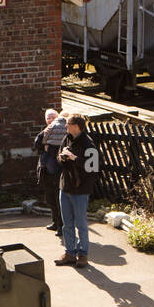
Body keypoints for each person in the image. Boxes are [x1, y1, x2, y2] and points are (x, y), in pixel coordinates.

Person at [55, 113, 99, 268]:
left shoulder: (89, 144)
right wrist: (62, 157)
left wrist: (74, 158)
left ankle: (82, 255)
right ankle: (69, 253)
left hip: (80, 190)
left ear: (76, 126)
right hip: (65, 186)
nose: (65, 127)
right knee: (67, 224)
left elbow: (93, 168)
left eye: (68, 124)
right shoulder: (66, 139)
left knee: (81, 224)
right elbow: (58, 158)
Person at [33, 108, 68, 232]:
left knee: (58, 200)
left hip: (58, 171)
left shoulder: (63, 130)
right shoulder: (46, 131)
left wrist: (48, 148)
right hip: (47, 170)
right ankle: (55, 222)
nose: (51, 120)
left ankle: (60, 226)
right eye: (48, 117)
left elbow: (39, 145)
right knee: (51, 199)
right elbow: (37, 145)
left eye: (53, 117)